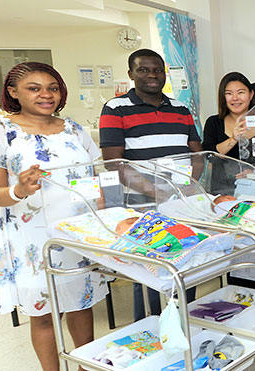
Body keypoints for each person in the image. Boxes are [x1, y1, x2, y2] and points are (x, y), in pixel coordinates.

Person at [0, 62, 107, 371]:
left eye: (52, 88)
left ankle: (86, 366)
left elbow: (91, 175)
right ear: (13, 93)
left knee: (81, 302)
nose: (46, 95)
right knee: (43, 312)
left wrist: (102, 206)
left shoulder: (73, 128)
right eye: (35, 88)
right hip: (31, 236)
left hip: (79, 232)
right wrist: (19, 189)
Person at [99, 48, 202, 321]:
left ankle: (185, 324)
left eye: (157, 70)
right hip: (142, 204)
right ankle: (152, 330)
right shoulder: (115, 108)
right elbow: (114, 162)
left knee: (184, 263)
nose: (152, 75)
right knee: (151, 273)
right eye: (143, 70)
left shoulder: (181, 109)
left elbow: (197, 154)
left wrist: (189, 187)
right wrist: (157, 192)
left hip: (181, 200)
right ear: (131, 74)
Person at [203, 72, 255, 159]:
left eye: (241, 92)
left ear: (251, 94)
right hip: (223, 173)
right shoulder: (214, 122)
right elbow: (209, 155)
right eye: (229, 93)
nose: (235, 98)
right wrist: (233, 139)